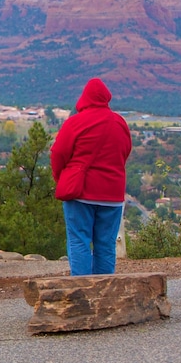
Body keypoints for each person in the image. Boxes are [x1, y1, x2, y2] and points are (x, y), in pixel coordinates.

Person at [51, 77, 132, 276]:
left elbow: (58, 153)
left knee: (79, 240)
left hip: (80, 192)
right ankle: (104, 290)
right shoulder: (119, 123)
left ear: (84, 98)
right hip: (112, 194)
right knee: (105, 245)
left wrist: (62, 177)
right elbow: (125, 151)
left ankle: (81, 289)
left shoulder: (75, 123)